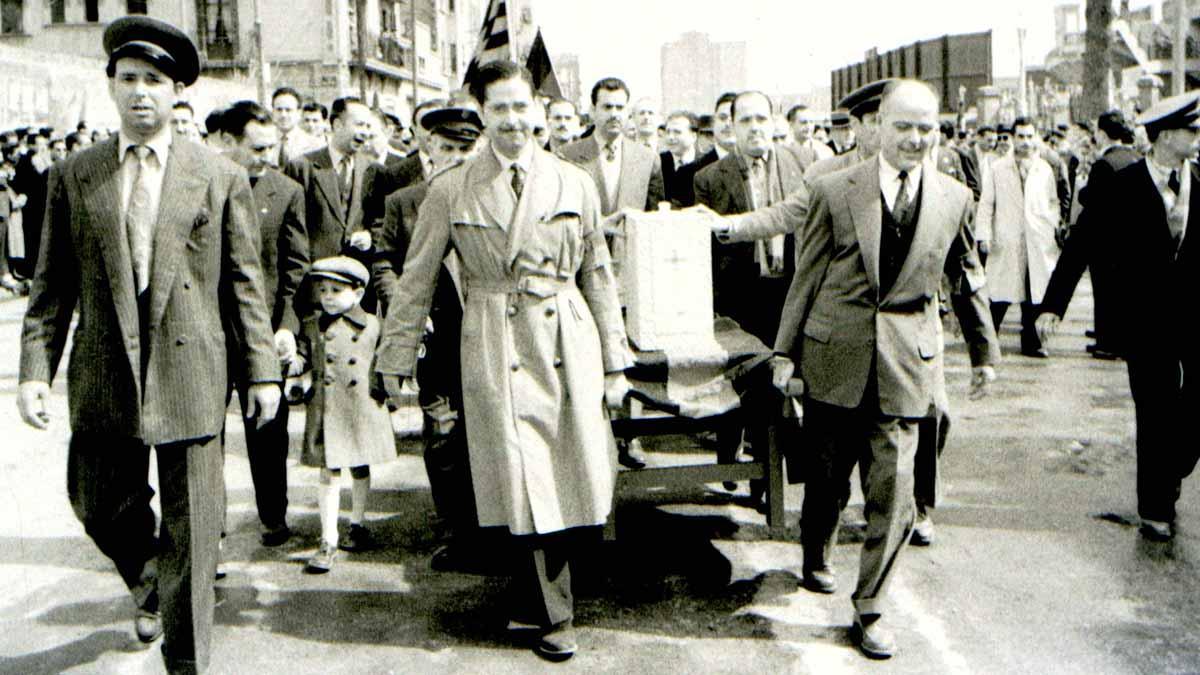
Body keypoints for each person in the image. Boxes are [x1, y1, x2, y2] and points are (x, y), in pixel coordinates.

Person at [17, 16, 281, 674]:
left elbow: (245, 283)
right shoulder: (77, 174)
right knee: (96, 496)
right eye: (128, 79)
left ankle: (186, 660)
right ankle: (148, 575)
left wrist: (262, 373)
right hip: (106, 363)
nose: (141, 93)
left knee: (195, 528)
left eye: (155, 81)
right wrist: (32, 372)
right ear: (110, 88)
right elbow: (51, 285)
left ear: (176, 93)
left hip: (191, 364)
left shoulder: (217, 176)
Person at [712, 80, 997, 659]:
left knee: (893, 492)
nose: (916, 139)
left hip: (906, 366)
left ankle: (870, 606)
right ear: (878, 128)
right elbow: (807, 276)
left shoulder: (953, 197)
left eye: (927, 128)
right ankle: (815, 550)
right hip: (833, 357)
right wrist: (785, 353)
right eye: (904, 127)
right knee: (826, 480)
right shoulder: (835, 189)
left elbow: (966, 279)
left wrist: (984, 351)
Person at [376, 60, 632, 662]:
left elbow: (597, 276)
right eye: (499, 109)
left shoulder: (575, 182)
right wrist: (395, 355)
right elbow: (415, 279)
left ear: (539, 111)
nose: (513, 120)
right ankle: (550, 611)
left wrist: (617, 362)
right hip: (495, 336)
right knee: (520, 472)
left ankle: (539, 599)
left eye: (522, 107)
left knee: (567, 467)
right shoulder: (452, 186)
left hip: (567, 337)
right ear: (483, 116)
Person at [1038, 91, 1198, 542]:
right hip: (1145, 321)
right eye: (1191, 131)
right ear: (1166, 136)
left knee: (1190, 418)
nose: (1197, 137)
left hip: (1194, 319)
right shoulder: (1123, 184)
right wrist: (1053, 305)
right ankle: (1155, 509)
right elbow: (1081, 244)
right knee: (1154, 410)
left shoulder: (1199, 182)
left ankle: (1173, 466)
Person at [374, 104, 483, 571]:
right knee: (442, 435)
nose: (456, 157)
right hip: (435, 338)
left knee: (486, 434)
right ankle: (455, 530)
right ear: (428, 149)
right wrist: (407, 306)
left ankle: (489, 527)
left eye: (466, 149)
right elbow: (385, 261)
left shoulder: (490, 198)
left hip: (484, 336)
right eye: (446, 149)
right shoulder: (405, 202)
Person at [224, 99, 306, 546]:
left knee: (269, 433)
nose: (267, 157)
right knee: (206, 437)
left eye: (272, 147)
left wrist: (288, 326)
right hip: (213, 332)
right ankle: (208, 526)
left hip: (265, 334)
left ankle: (273, 515)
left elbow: (296, 268)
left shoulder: (287, 191)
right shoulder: (208, 185)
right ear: (231, 143)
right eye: (257, 148)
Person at [297, 256, 396, 572]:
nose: (327, 296)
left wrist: (387, 392)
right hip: (328, 408)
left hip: (361, 405)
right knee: (328, 470)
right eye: (323, 289)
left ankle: (358, 522)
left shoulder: (372, 326)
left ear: (358, 293)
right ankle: (328, 539)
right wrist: (298, 374)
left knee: (359, 464)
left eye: (336, 290)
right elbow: (304, 356)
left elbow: (385, 360)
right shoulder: (314, 326)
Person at [281, 96, 376, 319]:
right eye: (359, 125)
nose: (365, 132)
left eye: (368, 126)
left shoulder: (371, 169)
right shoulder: (302, 167)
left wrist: (370, 236)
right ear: (337, 125)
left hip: (354, 294)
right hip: (313, 290)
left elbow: (378, 221)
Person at [976, 116, 1061, 358]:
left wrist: (1051, 225)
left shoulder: (1043, 169)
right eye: (1020, 136)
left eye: (1029, 136)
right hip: (1007, 237)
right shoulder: (997, 168)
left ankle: (1033, 343)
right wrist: (984, 234)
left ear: (1036, 138)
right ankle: (986, 341)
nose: (1024, 142)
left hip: (1036, 239)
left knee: (1034, 293)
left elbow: (1053, 201)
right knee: (999, 294)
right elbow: (986, 204)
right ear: (1013, 138)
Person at [660, 110, 702, 207]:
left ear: (693, 136)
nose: (670, 137)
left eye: (677, 132)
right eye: (668, 132)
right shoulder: (659, 162)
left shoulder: (706, 164)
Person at [273, 86, 323, 164]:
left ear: (299, 113)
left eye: (288, 110)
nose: (283, 115)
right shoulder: (264, 141)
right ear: (273, 111)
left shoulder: (315, 145)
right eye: (279, 110)